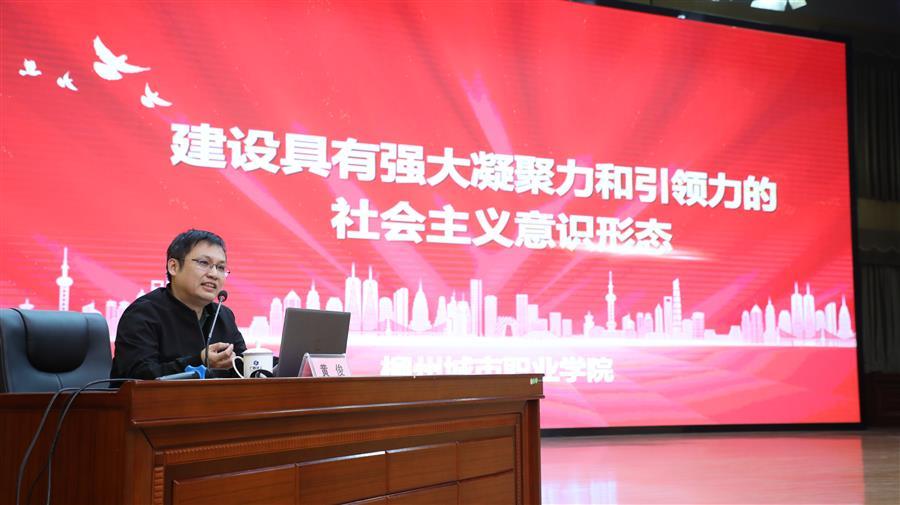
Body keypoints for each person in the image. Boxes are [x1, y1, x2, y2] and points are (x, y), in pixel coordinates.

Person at [110, 229, 247, 380]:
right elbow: (137, 377)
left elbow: (243, 368)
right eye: (204, 263)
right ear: (173, 267)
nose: (214, 274)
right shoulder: (143, 314)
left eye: (220, 267)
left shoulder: (223, 316)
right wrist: (199, 361)